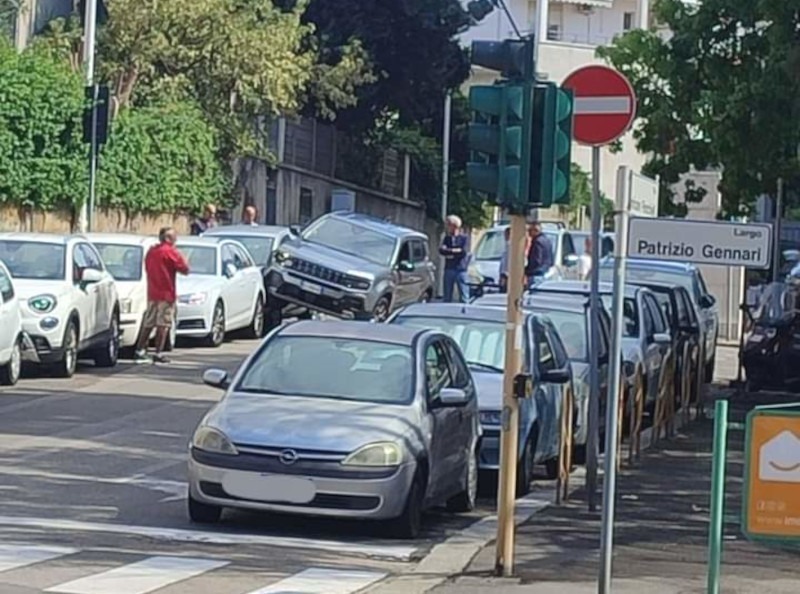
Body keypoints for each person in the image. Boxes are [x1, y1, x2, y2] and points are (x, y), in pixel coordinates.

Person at [135, 227, 190, 363]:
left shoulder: (151, 251)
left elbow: (147, 267)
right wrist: (184, 258)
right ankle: (158, 353)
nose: (175, 240)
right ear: (167, 238)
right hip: (166, 293)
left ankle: (140, 349)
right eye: (173, 237)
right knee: (163, 324)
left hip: (152, 292)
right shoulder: (171, 252)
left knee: (149, 322)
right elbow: (185, 269)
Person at [439, 214, 470, 303]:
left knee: (464, 296)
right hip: (449, 268)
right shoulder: (447, 238)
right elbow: (442, 250)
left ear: (454, 226)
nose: (446, 227)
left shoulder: (464, 238)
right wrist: (455, 250)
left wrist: (450, 251)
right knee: (447, 296)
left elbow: (463, 252)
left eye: (448, 225)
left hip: (461, 269)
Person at [524, 222, 554, 288]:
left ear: (535, 231)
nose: (528, 233)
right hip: (544, 272)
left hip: (536, 274)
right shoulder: (547, 240)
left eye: (530, 230)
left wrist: (526, 270)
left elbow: (536, 260)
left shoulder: (537, 241)